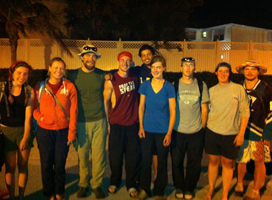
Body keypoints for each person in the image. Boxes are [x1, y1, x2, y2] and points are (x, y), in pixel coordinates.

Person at [33, 57, 78, 200]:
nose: (59, 71)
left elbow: (74, 110)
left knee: (59, 164)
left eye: (61, 68)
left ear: (64, 71)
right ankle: (49, 193)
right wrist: (39, 117)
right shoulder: (40, 86)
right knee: (46, 164)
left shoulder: (69, 87)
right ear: (50, 69)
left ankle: (59, 192)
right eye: (56, 67)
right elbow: (33, 107)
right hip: (44, 131)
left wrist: (72, 132)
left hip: (63, 131)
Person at [204, 62, 249, 200]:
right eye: (220, 71)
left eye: (226, 71)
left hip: (231, 134)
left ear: (229, 73)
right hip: (212, 131)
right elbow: (205, 110)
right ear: (216, 72)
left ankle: (224, 194)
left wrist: (241, 133)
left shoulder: (238, 89)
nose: (223, 74)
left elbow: (245, 112)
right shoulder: (211, 91)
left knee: (227, 164)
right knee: (212, 162)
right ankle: (211, 190)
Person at [68, 45, 107, 198]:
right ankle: (83, 184)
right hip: (81, 122)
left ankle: (96, 185)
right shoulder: (73, 75)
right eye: (87, 56)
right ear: (81, 58)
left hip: (99, 120)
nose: (91, 59)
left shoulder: (102, 75)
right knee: (82, 155)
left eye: (93, 56)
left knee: (99, 156)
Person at [137, 55, 176, 200]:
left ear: (164, 68)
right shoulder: (145, 85)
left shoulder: (169, 87)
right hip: (147, 130)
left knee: (162, 162)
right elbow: (141, 107)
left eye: (158, 67)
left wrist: (169, 133)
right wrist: (141, 126)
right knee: (145, 161)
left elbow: (173, 111)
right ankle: (145, 189)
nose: (155, 70)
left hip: (162, 132)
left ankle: (159, 190)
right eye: (153, 67)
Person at [104, 51, 141, 197]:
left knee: (133, 157)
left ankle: (132, 184)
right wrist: (107, 121)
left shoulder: (135, 77)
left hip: (133, 124)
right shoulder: (111, 80)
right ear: (118, 61)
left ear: (131, 63)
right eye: (122, 60)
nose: (125, 63)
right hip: (117, 124)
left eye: (128, 61)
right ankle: (115, 181)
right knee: (115, 156)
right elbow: (106, 102)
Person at [171, 57, 209, 200]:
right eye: (185, 65)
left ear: (194, 67)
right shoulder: (174, 85)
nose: (188, 68)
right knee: (176, 161)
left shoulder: (200, 84)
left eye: (191, 65)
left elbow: (204, 109)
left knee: (194, 163)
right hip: (177, 131)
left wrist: (202, 128)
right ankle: (179, 186)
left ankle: (189, 188)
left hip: (196, 132)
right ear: (181, 68)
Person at [235, 60, 272, 200]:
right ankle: (239, 183)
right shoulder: (238, 87)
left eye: (253, 69)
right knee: (241, 159)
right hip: (241, 131)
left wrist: (267, 134)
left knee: (259, 160)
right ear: (243, 71)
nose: (249, 72)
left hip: (259, 132)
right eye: (247, 69)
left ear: (258, 72)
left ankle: (256, 190)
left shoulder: (266, 89)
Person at [0, 61, 34, 200]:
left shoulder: (29, 91)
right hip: (6, 133)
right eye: (19, 73)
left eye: (25, 73)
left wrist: (26, 137)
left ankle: (21, 196)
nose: (22, 76)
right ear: (12, 73)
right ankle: (12, 196)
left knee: (23, 166)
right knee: (10, 168)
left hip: (22, 132)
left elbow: (28, 117)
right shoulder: (2, 88)